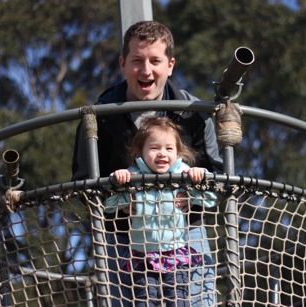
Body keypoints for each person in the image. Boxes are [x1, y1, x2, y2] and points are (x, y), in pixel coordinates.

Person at [71, 20, 222, 306]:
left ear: (170, 65)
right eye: (137, 60)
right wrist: (119, 204)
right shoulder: (100, 117)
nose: (146, 70)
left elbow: (217, 174)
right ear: (122, 65)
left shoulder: (195, 114)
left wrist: (194, 200)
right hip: (124, 243)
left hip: (186, 236)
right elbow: (83, 181)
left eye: (155, 60)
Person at [105, 116, 217, 307]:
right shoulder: (134, 176)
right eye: (154, 148)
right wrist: (117, 180)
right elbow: (109, 205)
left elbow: (210, 200)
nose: (162, 154)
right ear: (140, 152)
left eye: (169, 148)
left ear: (178, 152)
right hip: (143, 255)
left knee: (178, 299)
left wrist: (199, 178)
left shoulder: (182, 174)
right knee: (144, 299)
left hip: (175, 252)